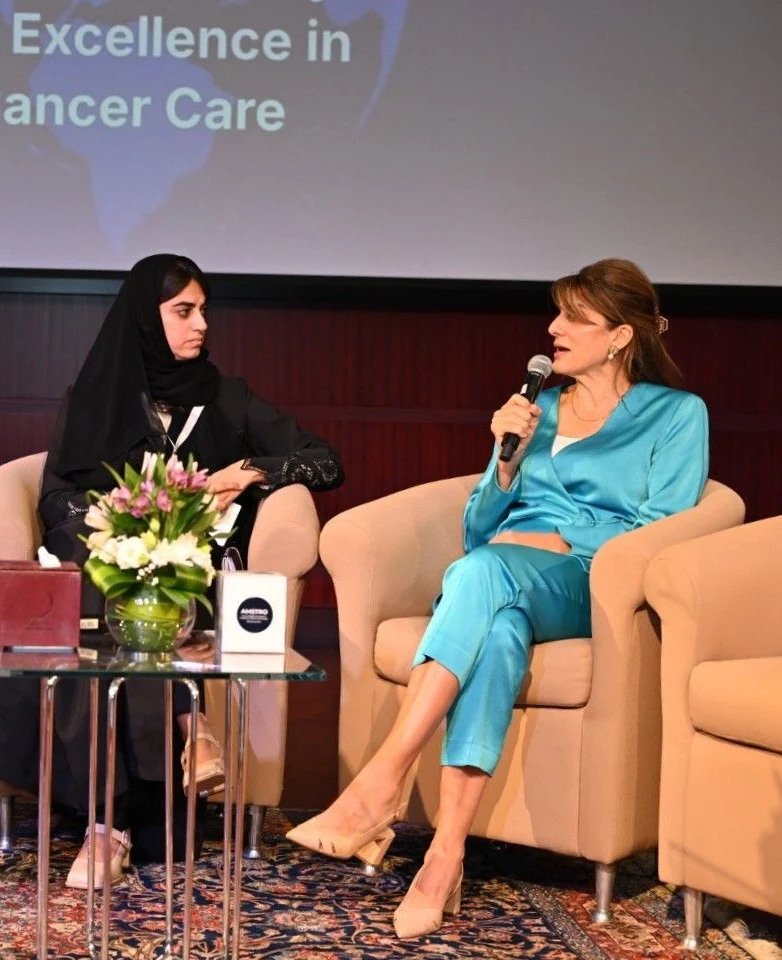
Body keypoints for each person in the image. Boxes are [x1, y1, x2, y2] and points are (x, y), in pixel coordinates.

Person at [287, 258, 709, 938]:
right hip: (502, 575)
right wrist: (506, 460)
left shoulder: (676, 415)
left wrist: (559, 539)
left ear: (620, 336)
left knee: (483, 575)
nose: (553, 329)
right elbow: (478, 530)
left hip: (591, 585)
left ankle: (382, 779)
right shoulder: (538, 409)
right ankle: (444, 857)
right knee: (499, 623)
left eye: (574, 317)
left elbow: (661, 529)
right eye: (556, 313)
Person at [0, 253, 343, 888]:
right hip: (111, 569)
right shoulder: (95, 398)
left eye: (204, 310)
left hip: (193, 580)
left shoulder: (227, 398)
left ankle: (108, 826)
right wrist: (128, 522)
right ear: (146, 320)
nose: (201, 324)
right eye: (184, 311)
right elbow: (57, 500)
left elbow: (325, 460)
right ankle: (183, 730)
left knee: (134, 591)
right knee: (113, 580)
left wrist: (248, 472)